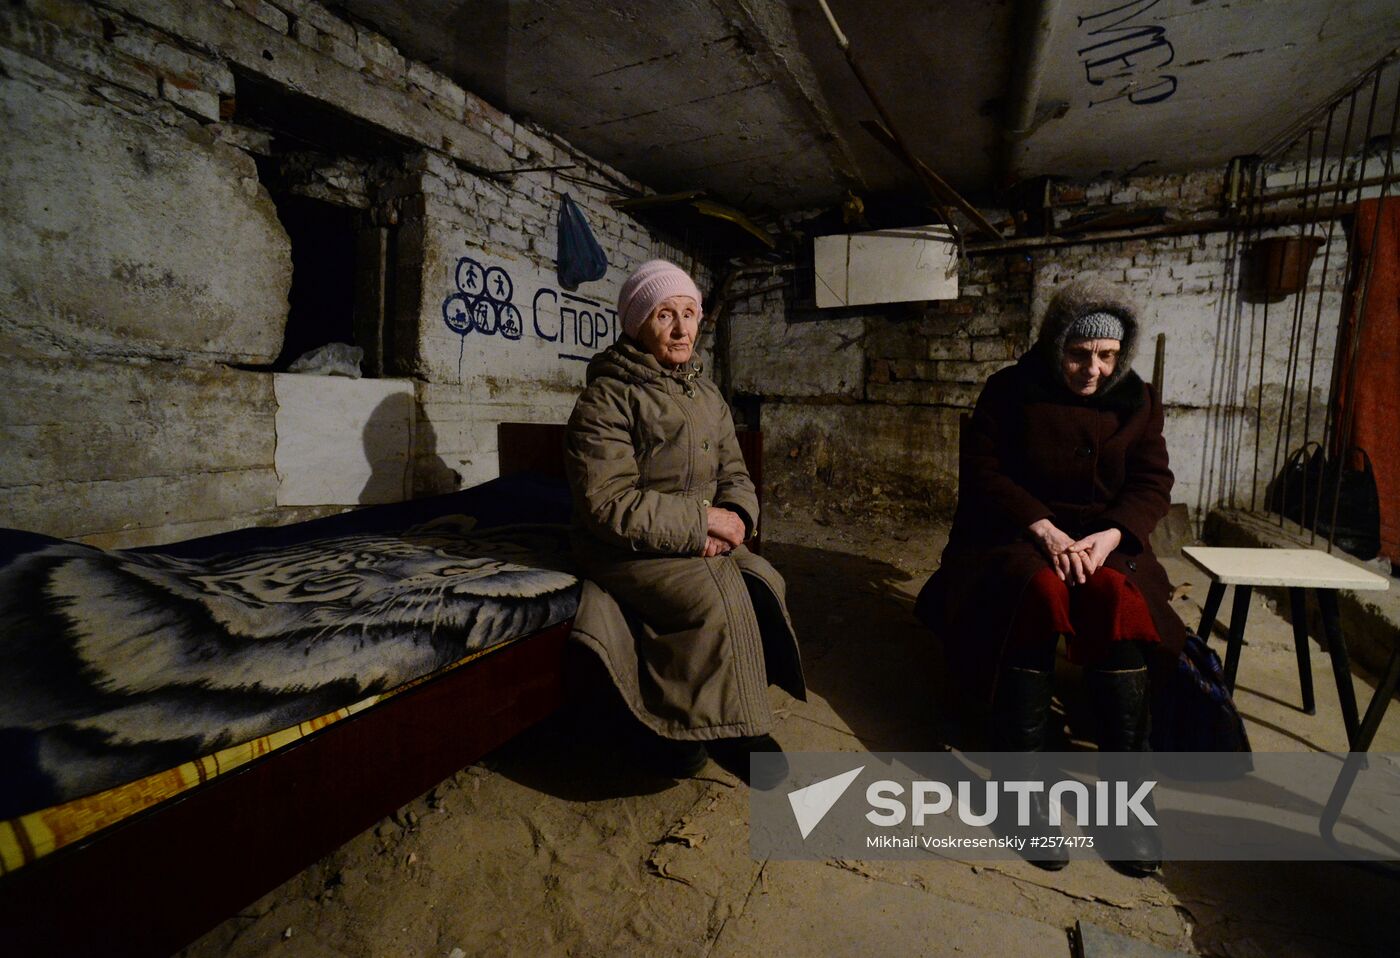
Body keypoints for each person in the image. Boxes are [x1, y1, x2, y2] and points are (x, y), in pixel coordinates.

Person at [915, 277, 1186, 875]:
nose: (1093, 369)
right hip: (1015, 534)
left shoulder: (1137, 399)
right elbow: (984, 474)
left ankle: (1124, 802)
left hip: (1100, 538)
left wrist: (1112, 534)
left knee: (1118, 597)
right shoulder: (1010, 391)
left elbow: (1152, 482)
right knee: (1035, 595)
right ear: (1054, 342)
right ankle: (1022, 795)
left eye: (1107, 356)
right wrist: (1042, 526)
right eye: (1079, 353)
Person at [564, 259, 805, 788]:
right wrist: (700, 525)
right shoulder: (606, 398)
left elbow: (735, 471)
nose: (681, 329)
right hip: (626, 545)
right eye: (665, 315)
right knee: (710, 599)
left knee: (764, 582)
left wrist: (737, 517)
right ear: (636, 324)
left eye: (690, 314)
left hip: (700, 534)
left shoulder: (707, 393)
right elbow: (606, 503)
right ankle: (687, 733)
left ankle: (730, 718)